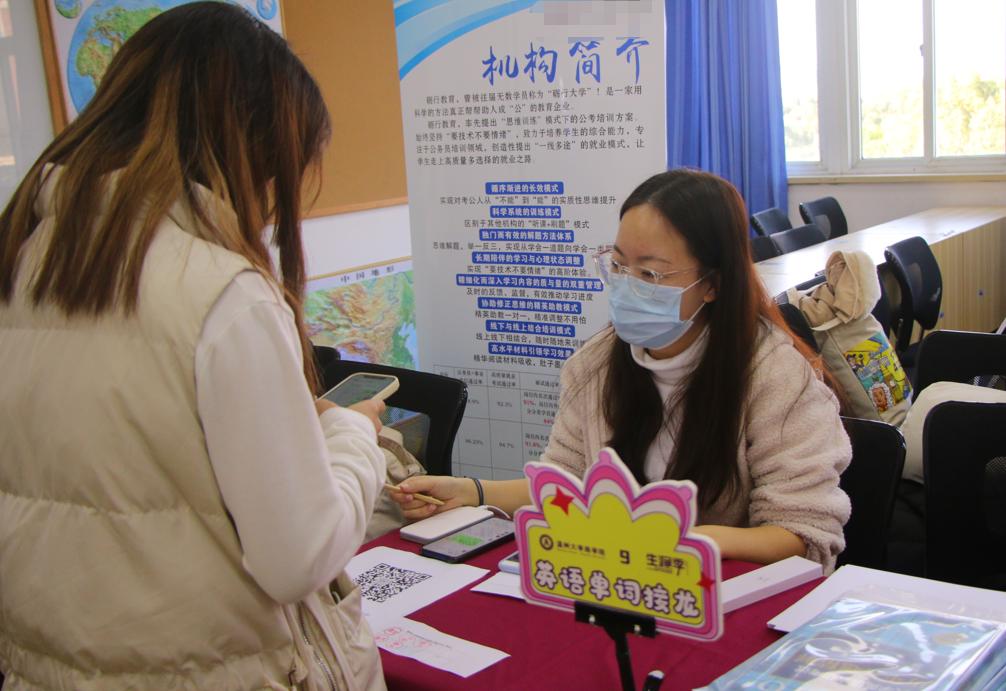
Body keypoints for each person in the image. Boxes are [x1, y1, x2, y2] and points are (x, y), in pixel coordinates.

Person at [0, 4, 386, 689]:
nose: (272, 201)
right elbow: (299, 556)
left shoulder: (23, 259)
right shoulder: (222, 295)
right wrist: (355, 438)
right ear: (250, 147)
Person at [392, 169, 852, 571]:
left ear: (712, 284)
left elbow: (802, 533)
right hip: (622, 583)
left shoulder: (774, 376)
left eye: (650, 274)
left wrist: (677, 543)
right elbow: (567, 481)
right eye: (618, 264)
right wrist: (473, 492)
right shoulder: (596, 364)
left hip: (719, 599)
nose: (626, 286)